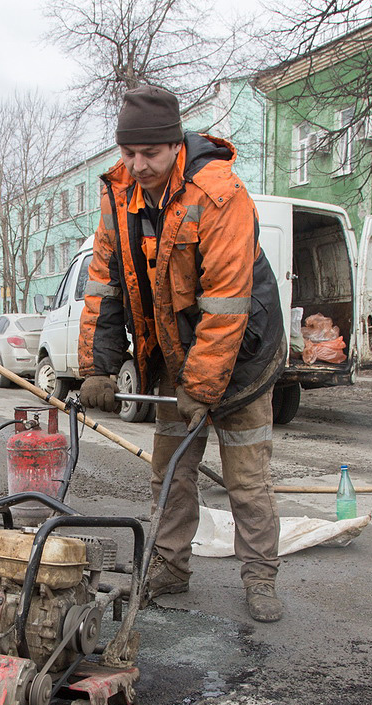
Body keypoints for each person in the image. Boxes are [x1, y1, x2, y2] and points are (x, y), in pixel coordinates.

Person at [78, 85, 286, 623]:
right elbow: (105, 285)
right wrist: (97, 366)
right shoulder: (118, 195)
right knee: (170, 471)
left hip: (243, 355)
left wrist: (203, 385)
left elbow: (226, 305)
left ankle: (260, 577)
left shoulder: (220, 195)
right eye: (128, 153)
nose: (137, 165)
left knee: (246, 477)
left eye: (150, 154)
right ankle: (169, 567)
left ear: (175, 145)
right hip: (175, 355)